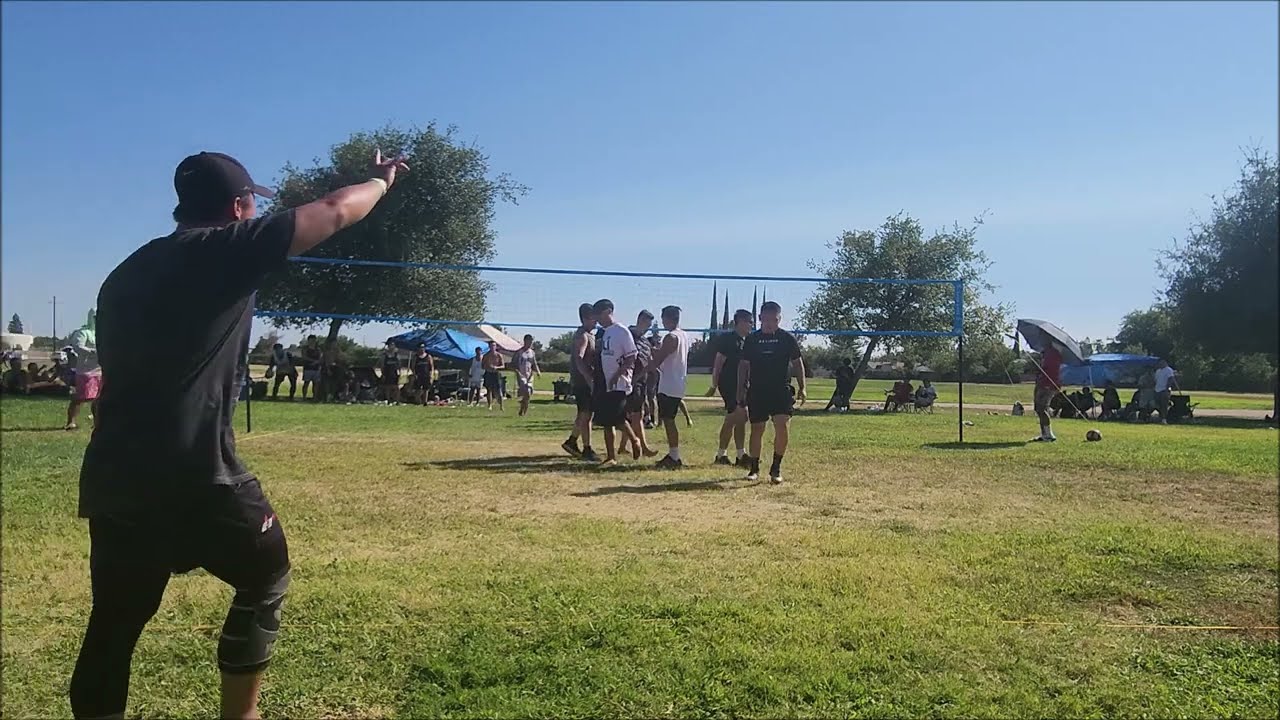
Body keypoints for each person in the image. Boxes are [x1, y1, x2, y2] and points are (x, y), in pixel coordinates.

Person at [71, 149, 408, 720]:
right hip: (197, 473)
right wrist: (380, 180)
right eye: (253, 204)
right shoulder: (227, 249)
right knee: (265, 573)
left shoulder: (125, 273)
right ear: (238, 207)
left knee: (113, 626)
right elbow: (334, 210)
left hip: (116, 474)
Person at [737, 301, 806, 483]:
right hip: (758, 390)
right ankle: (754, 468)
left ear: (779, 319)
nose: (769, 323)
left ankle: (776, 468)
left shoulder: (786, 339)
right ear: (760, 318)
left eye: (773, 320)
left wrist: (802, 387)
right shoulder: (752, 339)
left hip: (780, 390)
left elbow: (798, 363)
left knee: (782, 425)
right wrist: (740, 390)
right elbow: (743, 366)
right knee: (757, 428)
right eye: (766, 319)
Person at [592, 299, 642, 465]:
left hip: (619, 383)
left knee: (618, 418)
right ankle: (610, 456)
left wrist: (617, 375)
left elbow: (631, 356)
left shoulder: (621, 331)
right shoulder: (606, 332)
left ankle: (635, 440)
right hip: (606, 382)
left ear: (607, 312)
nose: (597, 319)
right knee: (607, 421)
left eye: (599, 315)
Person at [708, 310, 752, 465]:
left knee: (741, 418)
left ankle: (740, 454)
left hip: (742, 384)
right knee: (735, 415)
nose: (750, 325)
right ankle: (721, 455)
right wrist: (714, 383)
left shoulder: (747, 340)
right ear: (739, 322)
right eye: (748, 321)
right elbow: (718, 362)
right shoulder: (728, 339)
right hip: (729, 383)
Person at [649, 306, 690, 469]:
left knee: (668, 420)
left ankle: (674, 456)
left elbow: (658, 359)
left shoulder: (671, 337)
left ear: (668, 318)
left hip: (668, 383)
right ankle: (673, 454)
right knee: (668, 419)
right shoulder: (684, 335)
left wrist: (648, 351)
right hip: (678, 381)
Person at [562, 303, 599, 461]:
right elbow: (579, 358)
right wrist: (588, 378)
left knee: (586, 414)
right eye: (593, 318)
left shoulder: (590, 334)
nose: (596, 321)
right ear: (585, 318)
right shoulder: (582, 335)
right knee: (585, 413)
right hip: (582, 381)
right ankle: (580, 445)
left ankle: (579, 444)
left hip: (585, 380)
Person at [620, 311, 659, 458]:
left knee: (633, 415)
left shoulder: (645, 341)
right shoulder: (628, 336)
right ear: (639, 320)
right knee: (637, 415)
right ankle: (643, 447)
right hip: (631, 380)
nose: (648, 328)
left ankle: (623, 447)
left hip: (642, 381)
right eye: (646, 324)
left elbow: (649, 360)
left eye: (649, 325)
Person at [1032, 342, 1063, 442]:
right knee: (1039, 408)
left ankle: (1049, 435)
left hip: (1047, 385)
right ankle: (1044, 433)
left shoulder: (1052, 354)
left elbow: (1049, 370)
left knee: (1042, 408)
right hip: (1043, 383)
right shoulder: (1047, 354)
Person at [514, 334, 540, 417]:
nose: (530, 343)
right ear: (525, 341)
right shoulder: (519, 352)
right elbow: (513, 363)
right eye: (529, 341)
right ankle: (523, 410)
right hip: (521, 374)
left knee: (528, 393)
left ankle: (523, 409)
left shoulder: (532, 352)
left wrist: (538, 371)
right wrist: (517, 371)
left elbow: (534, 363)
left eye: (531, 341)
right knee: (526, 392)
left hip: (530, 375)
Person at [481, 340, 505, 411]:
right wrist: (488, 366)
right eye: (491, 346)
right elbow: (482, 366)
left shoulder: (499, 355)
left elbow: (503, 366)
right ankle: (490, 405)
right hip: (488, 373)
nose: (492, 347)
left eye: (494, 346)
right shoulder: (486, 356)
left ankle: (501, 406)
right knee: (489, 390)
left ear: (496, 347)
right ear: (489, 347)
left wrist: (496, 367)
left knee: (498, 390)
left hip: (496, 374)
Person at [1153, 359, 1177, 424]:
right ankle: (1160, 417)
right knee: (1158, 405)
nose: (1160, 364)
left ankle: (1164, 419)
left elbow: (1171, 379)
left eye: (1161, 363)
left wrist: (1167, 388)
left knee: (1164, 405)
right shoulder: (1158, 371)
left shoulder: (1169, 370)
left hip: (1164, 390)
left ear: (1164, 362)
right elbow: (1155, 380)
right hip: (1157, 390)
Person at [379, 340, 402, 405]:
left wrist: (400, 373)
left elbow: (399, 365)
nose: (392, 346)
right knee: (387, 387)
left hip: (395, 373)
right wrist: (382, 374)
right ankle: (388, 400)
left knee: (396, 387)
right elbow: (382, 365)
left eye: (393, 345)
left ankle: (397, 401)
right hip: (387, 373)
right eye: (390, 345)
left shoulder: (396, 355)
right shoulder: (385, 355)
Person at [300, 335, 322, 400]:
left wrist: (317, 362)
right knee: (306, 383)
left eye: (314, 340)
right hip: (308, 368)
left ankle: (315, 397)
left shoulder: (318, 349)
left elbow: (320, 357)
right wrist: (313, 361)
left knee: (316, 384)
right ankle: (304, 397)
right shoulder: (305, 348)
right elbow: (304, 357)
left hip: (316, 368)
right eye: (311, 340)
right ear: (308, 340)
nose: (312, 342)